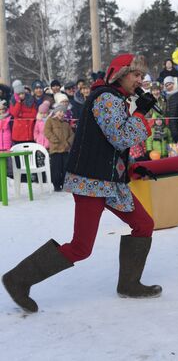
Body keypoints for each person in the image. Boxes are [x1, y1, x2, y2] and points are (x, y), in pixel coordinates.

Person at [2, 54, 162, 313]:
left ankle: (129, 283)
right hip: (92, 182)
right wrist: (141, 114)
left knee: (143, 224)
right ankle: (18, 279)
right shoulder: (105, 98)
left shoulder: (117, 99)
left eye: (141, 76)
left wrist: (130, 168)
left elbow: (108, 146)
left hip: (111, 183)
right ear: (120, 74)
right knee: (81, 247)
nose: (139, 81)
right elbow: (120, 137)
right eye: (135, 75)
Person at [44, 104, 74, 191]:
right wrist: (54, 139)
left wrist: (68, 143)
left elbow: (72, 135)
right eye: (60, 111)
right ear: (56, 112)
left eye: (63, 112)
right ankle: (56, 185)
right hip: (55, 149)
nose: (62, 113)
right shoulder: (50, 121)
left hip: (65, 149)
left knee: (65, 168)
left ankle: (64, 184)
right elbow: (47, 131)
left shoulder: (66, 124)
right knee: (56, 168)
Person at [9, 80, 37, 144]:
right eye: (19, 94)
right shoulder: (13, 102)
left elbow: (34, 114)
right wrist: (18, 102)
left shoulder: (30, 100)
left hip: (29, 130)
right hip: (18, 133)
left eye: (22, 93)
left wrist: (21, 115)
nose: (21, 95)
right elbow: (14, 114)